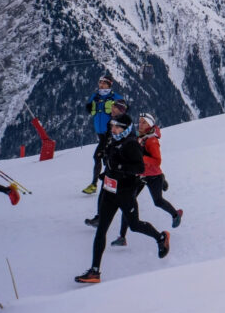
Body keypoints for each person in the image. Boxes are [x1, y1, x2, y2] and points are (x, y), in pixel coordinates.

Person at [74, 114, 170, 284]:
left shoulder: (131, 144)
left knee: (134, 225)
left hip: (125, 193)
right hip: (110, 192)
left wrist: (118, 167)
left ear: (125, 129)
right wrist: (107, 174)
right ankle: (95, 271)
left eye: (117, 127)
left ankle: (160, 237)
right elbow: (111, 163)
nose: (113, 129)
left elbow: (139, 167)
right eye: (112, 126)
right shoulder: (113, 141)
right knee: (101, 229)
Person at [112, 113, 182, 247]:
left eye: (144, 122)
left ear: (150, 124)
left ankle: (175, 215)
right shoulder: (141, 137)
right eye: (140, 122)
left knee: (158, 201)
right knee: (128, 202)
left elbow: (157, 161)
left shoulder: (151, 141)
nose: (141, 124)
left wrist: (140, 160)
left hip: (152, 175)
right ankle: (122, 236)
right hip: (141, 175)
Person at [84, 99, 130, 227]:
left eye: (115, 107)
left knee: (119, 195)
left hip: (120, 168)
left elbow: (124, 142)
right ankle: (101, 218)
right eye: (112, 106)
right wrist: (104, 153)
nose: (112, 109)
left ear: (121, 110)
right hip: (112, 165)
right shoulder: (112, 121)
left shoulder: (124, 122)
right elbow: (108, 140)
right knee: (106, 192)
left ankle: (127, 221)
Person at [83, 74, 123, 194]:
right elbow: (89, 109)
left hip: (110, 134)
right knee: (107, 158)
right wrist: (89, 107)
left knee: (98, 156)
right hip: (100, 134)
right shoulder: (95, 97)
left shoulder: (115, 97)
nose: (101, 85)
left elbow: (125, 109)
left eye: (104, 83)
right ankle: (113, 183)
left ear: (110, 84)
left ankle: (95, 184)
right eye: (100, 82)